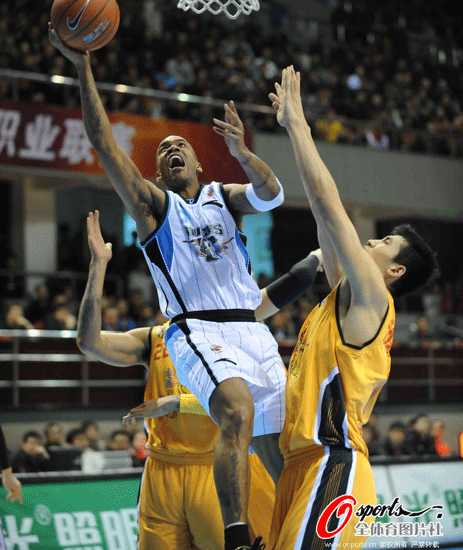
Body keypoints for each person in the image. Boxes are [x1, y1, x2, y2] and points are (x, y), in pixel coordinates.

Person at [50, 27, 286, 550]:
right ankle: (237, 538)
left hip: (252, 329)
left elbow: (272, 195)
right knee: (237, 411)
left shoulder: (224, 197)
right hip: (197, 330)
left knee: (278, 449)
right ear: (157, 171)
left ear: (200, 163)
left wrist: (245, 153)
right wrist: (83, 65)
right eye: (164, 151)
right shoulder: (157, 207)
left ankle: (303, 527)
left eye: (182, 146)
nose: (174, 150)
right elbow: (103, 143)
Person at [266, 66, 440, 549]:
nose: (370, 239)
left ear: (395, 272)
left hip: (332, 465)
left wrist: (297, 124)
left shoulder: (372, 297)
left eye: (383, 241)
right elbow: (322, 212)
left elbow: (328, 200)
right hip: (302, 466)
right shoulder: (344, 296)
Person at [77, 210, 322, 550]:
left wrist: (319, 253)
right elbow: (89, 343)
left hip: (213, 469)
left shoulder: (242, 323)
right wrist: (98, 266)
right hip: (161, 471)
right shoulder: (153, 338)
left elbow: (293, 282)